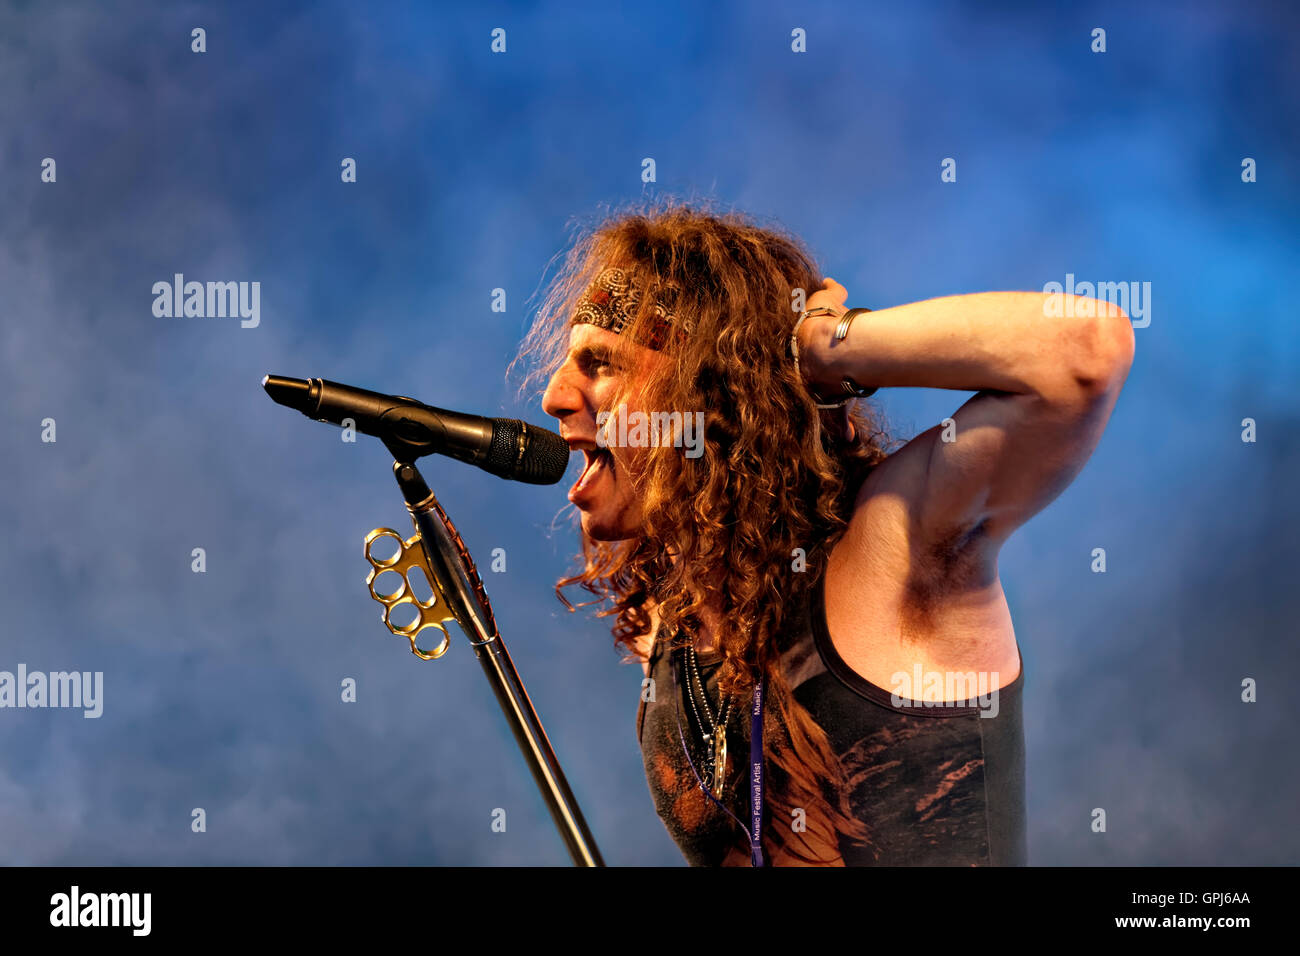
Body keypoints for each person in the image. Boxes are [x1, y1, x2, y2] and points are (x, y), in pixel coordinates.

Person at [516, 199, 1134, 866]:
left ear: (710, 395)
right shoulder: (668, 618)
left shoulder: (896, 546)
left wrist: (818, 347)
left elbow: (1085, 352)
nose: (553, 394)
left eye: (601, 363)